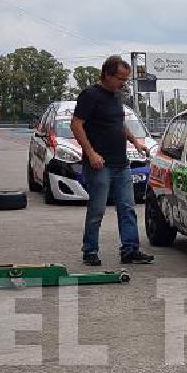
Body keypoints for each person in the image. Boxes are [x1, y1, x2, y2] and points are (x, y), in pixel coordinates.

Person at [70, 55, 154, 266]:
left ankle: (130, 249)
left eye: (126, 79)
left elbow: (119, 124)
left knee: (127, 207)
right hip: (100, 164)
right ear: (107, 74)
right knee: (97, 210)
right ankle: (90, 250)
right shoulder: (90, 95)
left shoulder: (116, 97)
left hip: (121, 163)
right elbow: (76, 124)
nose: (123, 83)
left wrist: (135, 142)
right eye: (120, 78)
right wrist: (91, 153)